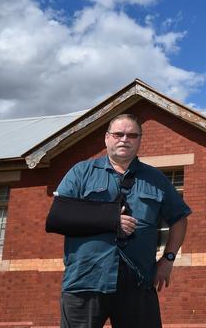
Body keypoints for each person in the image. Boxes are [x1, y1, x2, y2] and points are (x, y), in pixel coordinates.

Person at [55, 113, 191, 328]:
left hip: (138, 281)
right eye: (118, 134)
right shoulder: (81, 172)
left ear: (139, 141)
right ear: (107, 138)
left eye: (132, 135)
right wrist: (110, 219)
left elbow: (179, 219)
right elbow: (59, 217)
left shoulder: (156, 179)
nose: (124, 139)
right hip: (86, 279)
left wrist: (169, 258)